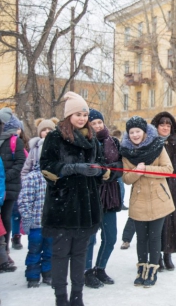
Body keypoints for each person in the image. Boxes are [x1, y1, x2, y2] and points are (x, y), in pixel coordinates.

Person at [40, 91, 107, 306]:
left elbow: (104, 167)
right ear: (69, 115)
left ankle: (77, 297)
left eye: (85, 114)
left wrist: (98, 172)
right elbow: (46, 167)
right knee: (60, 255)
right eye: (78, 114)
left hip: (87, 207)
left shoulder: (92, 138)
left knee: (80, 254)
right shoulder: (55, 136)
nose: (82, 118)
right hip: (62, 206)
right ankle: (61, 298)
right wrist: (72, 168)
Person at [120, 116, 175, 288]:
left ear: (144, 132)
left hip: (159, 199)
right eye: (132, 132)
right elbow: (126, 178)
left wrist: (146, 169)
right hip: (139, 201)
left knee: (154, 237)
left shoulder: (157, 146)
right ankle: (141, 268)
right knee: (142, 238)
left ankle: (152, 269)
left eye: (138, 131)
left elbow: (168, 170)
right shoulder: (126, 153)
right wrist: (136, 172)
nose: (135, 135)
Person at [83, 109, 123, 289]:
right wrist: (101, 172)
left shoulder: (113, 141)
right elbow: (85, 167)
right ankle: (86, 271)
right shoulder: (85, 142)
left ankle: (100, 268)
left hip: (111, 195)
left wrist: (111, 171)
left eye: (100, 122)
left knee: (111, 237)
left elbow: (121, 164)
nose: (98, 126)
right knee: (90, 238)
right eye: (93, 123)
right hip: (92, 196)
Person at [18, 117, 58, 288]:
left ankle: (48, 273)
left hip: (50, 224)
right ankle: (32, 275)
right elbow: (24, 200)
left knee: (50, 251)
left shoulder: (56, 179)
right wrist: (26, 218)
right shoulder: (32, 178)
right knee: (34, 251)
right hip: (35, 224)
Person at [151, 111, 176, 271]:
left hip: (175, 189)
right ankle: (157, 256)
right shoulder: (151, 142)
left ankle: (168, 254)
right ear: (156, 126)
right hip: (157, 188)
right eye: (162, 124)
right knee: (158, 223)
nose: (166, 127)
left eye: (168, 125)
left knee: (172, 222)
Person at [0, 108, 26, 258]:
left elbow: (20, 162)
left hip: (10, 186)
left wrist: (5, 176)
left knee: (5, 217)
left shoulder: (15, 141)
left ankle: (5, 251)